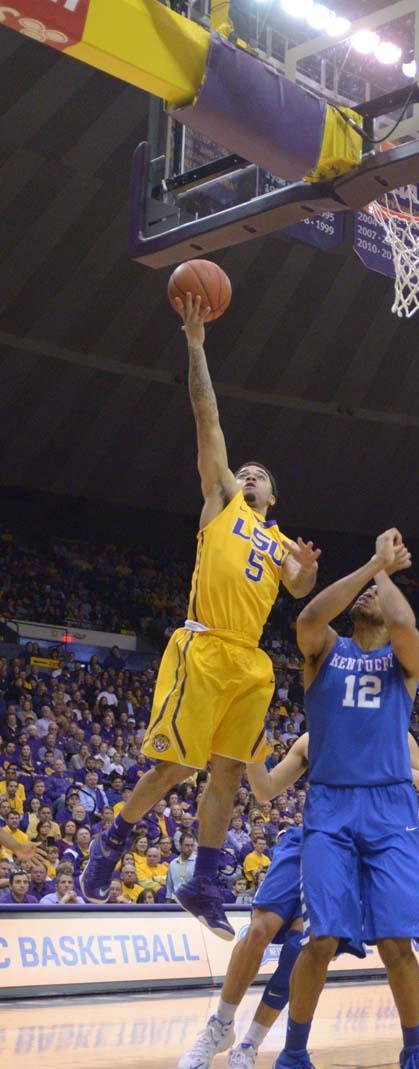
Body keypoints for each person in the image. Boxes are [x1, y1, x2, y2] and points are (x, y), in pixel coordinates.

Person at [81, 293, 319, 935]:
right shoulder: (221, 502)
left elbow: (298, 592)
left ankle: (206, 880)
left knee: (228, 772)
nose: (248, 475)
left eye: (259, 475)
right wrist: (195, 344)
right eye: (243, 471)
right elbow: (206, 413)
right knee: (176, 767)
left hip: (250, 661)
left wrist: (312, 571)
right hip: (205, 646)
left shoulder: (279, 543)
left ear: (276, 495)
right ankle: (112, 842)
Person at [268, 529, 419, 1069]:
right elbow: (310, 614)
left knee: (398, 942)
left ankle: (417, 1054)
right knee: (321, 938)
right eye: (365, 589)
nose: (368, 594)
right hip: (333, 805)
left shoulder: (403, 665)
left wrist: (386, 575)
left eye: (374, 590)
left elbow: (408, 628)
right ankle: (291, 1059)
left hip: (391, 807)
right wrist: (371, 564)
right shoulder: (325, 651)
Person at [177, 727, 419, 1069]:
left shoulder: (393, 733)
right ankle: (219, 1025)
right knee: (258, 929)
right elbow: (266, 790)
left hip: (356, 845)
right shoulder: (315, 736)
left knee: (300, 948)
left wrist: (396, 770)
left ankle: (249, 1047)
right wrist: (251, 750)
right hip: (313, 837)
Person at [165, 832, 197, 901]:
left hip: (193, 902)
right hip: (175, 902)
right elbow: (169, 888)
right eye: (187, 845)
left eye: (192, 845)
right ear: (180, 845)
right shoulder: (172, 864)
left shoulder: (198, 862)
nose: (190, 848)